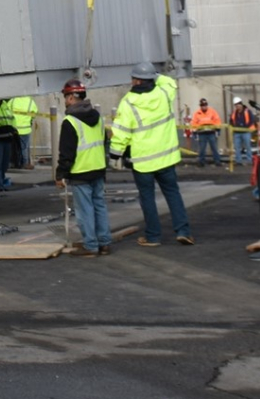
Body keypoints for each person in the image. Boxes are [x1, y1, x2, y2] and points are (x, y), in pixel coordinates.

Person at [111, 62, 194, 247]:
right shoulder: (164, 93)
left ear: (137, 80)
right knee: (173, 194)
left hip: (143, 161)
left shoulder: (128, 102)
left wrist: (114, 155)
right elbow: (170, 82)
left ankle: (153, 237)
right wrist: (155, 74)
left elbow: (121, 132)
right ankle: (183, 231)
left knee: (147, 198)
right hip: (166, 157)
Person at [55, 79, 112, 257]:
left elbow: (66, 152)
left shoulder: (70, 121)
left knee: (85, 210)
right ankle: (104, 243)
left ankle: (90, 246)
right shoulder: (97, 117)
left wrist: (60, 174)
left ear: (72, 97)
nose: (65, 100)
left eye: (65, 97)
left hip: (81, 171)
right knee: (99, 206)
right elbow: (104, 142)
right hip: (98, 169)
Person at [189, 98, 223, 166]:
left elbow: (217, 120)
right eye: (202, 105)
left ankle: (217, 161)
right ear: (200, 106)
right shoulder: (197, 113)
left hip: (211, 132)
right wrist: (194, 132)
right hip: (202, 133)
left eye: (205, 105)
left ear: (207, 105)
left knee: (214, 148)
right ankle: (201, 162)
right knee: (202, 149)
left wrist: (218, 129)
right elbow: (193, 123)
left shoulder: (212, 112)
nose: (204, 106)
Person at [9, 96, 39, 170]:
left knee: (15, 147)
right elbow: (35, 113)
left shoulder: (13, 100)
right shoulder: (30, 101)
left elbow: (7, 112)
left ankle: (15, 163)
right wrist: (30, 119)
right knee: (24, 148)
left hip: (14, 129)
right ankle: (25, 164)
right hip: (25, 129)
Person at [229, 97, 257, 165]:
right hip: (237, 132)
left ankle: (249, 160)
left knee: (248, 146)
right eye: (236, 105)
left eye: (238, 104)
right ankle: (238, 161)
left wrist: (245, 126)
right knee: (237, 147)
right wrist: (234, 127)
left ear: (241, 104)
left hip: (246, 132)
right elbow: (231, 121)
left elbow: (251, 120)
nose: (237, 106)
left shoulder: (247, 111)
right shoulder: (234, 113)